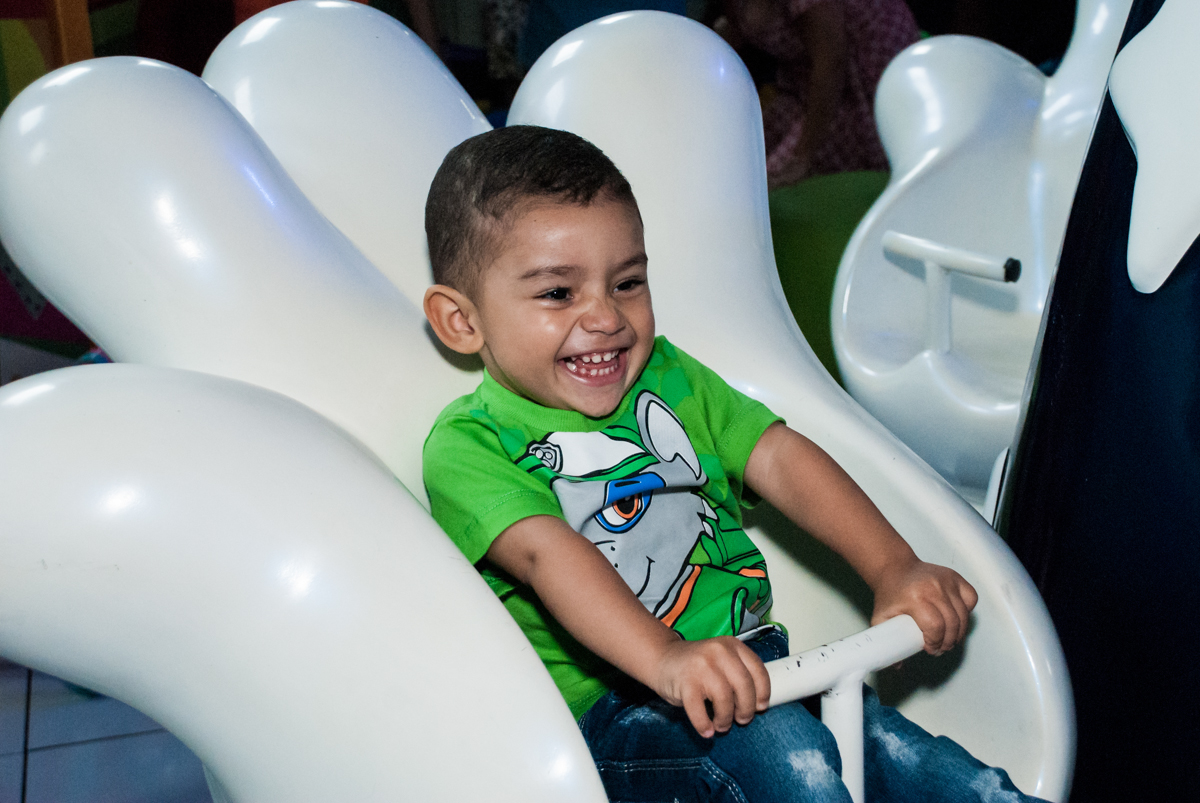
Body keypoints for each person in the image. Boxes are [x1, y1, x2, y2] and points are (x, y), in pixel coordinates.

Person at [421, 125, 1044, 802]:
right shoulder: (472, 444)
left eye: (627, 281)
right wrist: (666, 659)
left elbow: (779, 457)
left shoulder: (670, 376)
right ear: (460, 321)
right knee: (793, 766)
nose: (605, 316)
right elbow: (550, 556)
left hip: (766, 669)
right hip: (624, 714)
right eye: (557, 294)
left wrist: (893, 565)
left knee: (941, 775)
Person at [720, 0, 919, 189]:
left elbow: (832, 63)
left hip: (862, 86)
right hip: (805, 80)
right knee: (738, 154)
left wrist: (803, 155)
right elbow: (736, 33)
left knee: (770, 183)